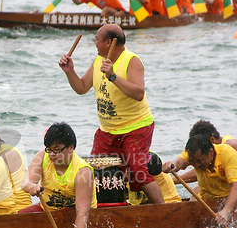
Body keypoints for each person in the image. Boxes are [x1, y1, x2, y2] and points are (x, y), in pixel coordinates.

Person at [58, 24, 165, 205]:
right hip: (107, 131)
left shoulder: (131, 61)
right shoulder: (98, 61)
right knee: (92, 170)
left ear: (109, 43)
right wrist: (70, 72)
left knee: (137, 171)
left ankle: (164, 212)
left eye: (97, 40)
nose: (95, 44)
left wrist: (113, 76)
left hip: (136, 128)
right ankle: (106, 208)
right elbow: (82, 88)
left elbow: (139, 93)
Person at [20, 122, 97, 228]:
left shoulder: (82, 171)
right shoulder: (42, 156)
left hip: (74, 215)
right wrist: (32, 187)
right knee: (20, 217)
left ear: (71, 148)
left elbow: (82, 212)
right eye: (49, 149)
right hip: (49, 211)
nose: (51, 154)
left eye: (57, 150)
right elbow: (24, 183)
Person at [163, 135, 237, 226]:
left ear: (211, 152)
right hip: (208, 200)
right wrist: (171, 165)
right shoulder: (191, 153)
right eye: (193, 161)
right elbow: (178, 163)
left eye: (199, 160)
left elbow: (236, 186)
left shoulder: (227, 153)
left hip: (233, 200)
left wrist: (226, 211)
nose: (196, 164)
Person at [173, 120, 237, 194]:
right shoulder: (221, 142)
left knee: (198, 190)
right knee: (198, 190)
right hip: (227, 189)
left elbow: (198, 172)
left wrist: (172, 181)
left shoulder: (229, 146)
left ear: (212, 140)